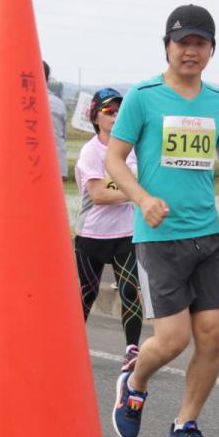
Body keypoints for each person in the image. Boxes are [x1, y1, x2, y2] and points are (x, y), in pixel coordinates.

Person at [105, 3, 219, 437]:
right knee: (172, 339)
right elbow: (114, 158)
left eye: (200, 43)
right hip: (158, 236)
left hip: (206, 234)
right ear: (167, 46)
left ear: (211, 50)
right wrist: (143, 199)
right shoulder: (143, 97)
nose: (191, 51)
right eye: (182, 42)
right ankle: (136, 379)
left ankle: (185, 425)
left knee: (212, 334)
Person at [75, 88, 143, 373]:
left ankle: (132, 351)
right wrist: (135, 192)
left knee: (130, 290)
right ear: (95, 117)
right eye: (109, 112)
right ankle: (71, 347)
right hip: (92, 234)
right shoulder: (91, 151)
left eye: (119, 111)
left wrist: (132, 191)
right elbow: (99, 194)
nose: (115, 117)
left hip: (126, 232)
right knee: (84, 295)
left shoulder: (132, 149)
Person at [45, 61, 68, 180]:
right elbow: (64, 136)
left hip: (32, 165)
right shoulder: (58, 103)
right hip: (58, 164)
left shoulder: (20, 103)